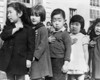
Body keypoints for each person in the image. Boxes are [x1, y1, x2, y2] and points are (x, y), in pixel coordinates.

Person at [0, 2, 35, 80]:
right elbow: (3, 36)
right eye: (7, 13)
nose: (8, 15)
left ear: (19, 14)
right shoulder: (8, 27)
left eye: (10, 12)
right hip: (9, 60)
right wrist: (15, 29)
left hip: (21, 61)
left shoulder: (28, 29)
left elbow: (31, 46)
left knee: (21, 78)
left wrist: (29, 59)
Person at [29, 5, 53, 80]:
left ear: (42, 17)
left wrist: (35, 55)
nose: (33, 17)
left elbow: (43, 44)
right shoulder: (32, 28)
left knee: (38, 76)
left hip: (39, 58)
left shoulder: (42, 29)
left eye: (36, 16)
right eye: (32, 15)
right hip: (33, 57)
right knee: (33, 76)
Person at [48, 8, 71, 80]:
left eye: (59, 20)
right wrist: (47, 40)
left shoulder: (65, 34)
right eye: (54, 20)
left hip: (60, 61)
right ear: (51, 21)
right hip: (49, 60)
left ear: (64, 21)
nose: (57, 23)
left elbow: (68, 49)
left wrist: (66, 63)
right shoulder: (50, 33)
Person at [67, 15, 89, 80]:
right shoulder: (67, 36)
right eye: (72, 24)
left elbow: (85, 52)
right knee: (72, 78)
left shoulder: (83, 37)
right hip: (71, 63)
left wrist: (86, 63)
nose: (74, 26)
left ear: (81, 26)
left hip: (80, 64)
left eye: (77, 24)